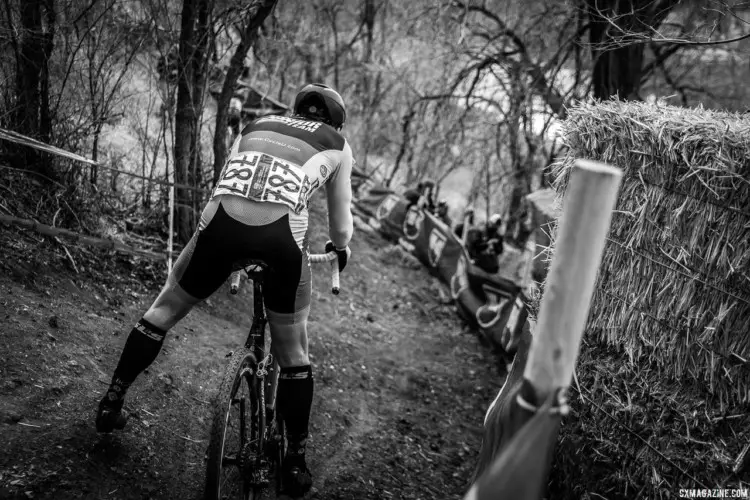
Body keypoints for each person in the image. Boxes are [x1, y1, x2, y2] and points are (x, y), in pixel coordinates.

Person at [95, 83, 354, 499]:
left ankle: (112, 400)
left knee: (163, 308)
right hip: (281, 238)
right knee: (294, 353)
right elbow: (341, 224)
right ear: (336, 121)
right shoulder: (338, 144)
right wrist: (340, 249)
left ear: (295, 109)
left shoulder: (257, 122)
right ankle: (296, 462)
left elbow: (232, 178)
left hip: (220, 223)